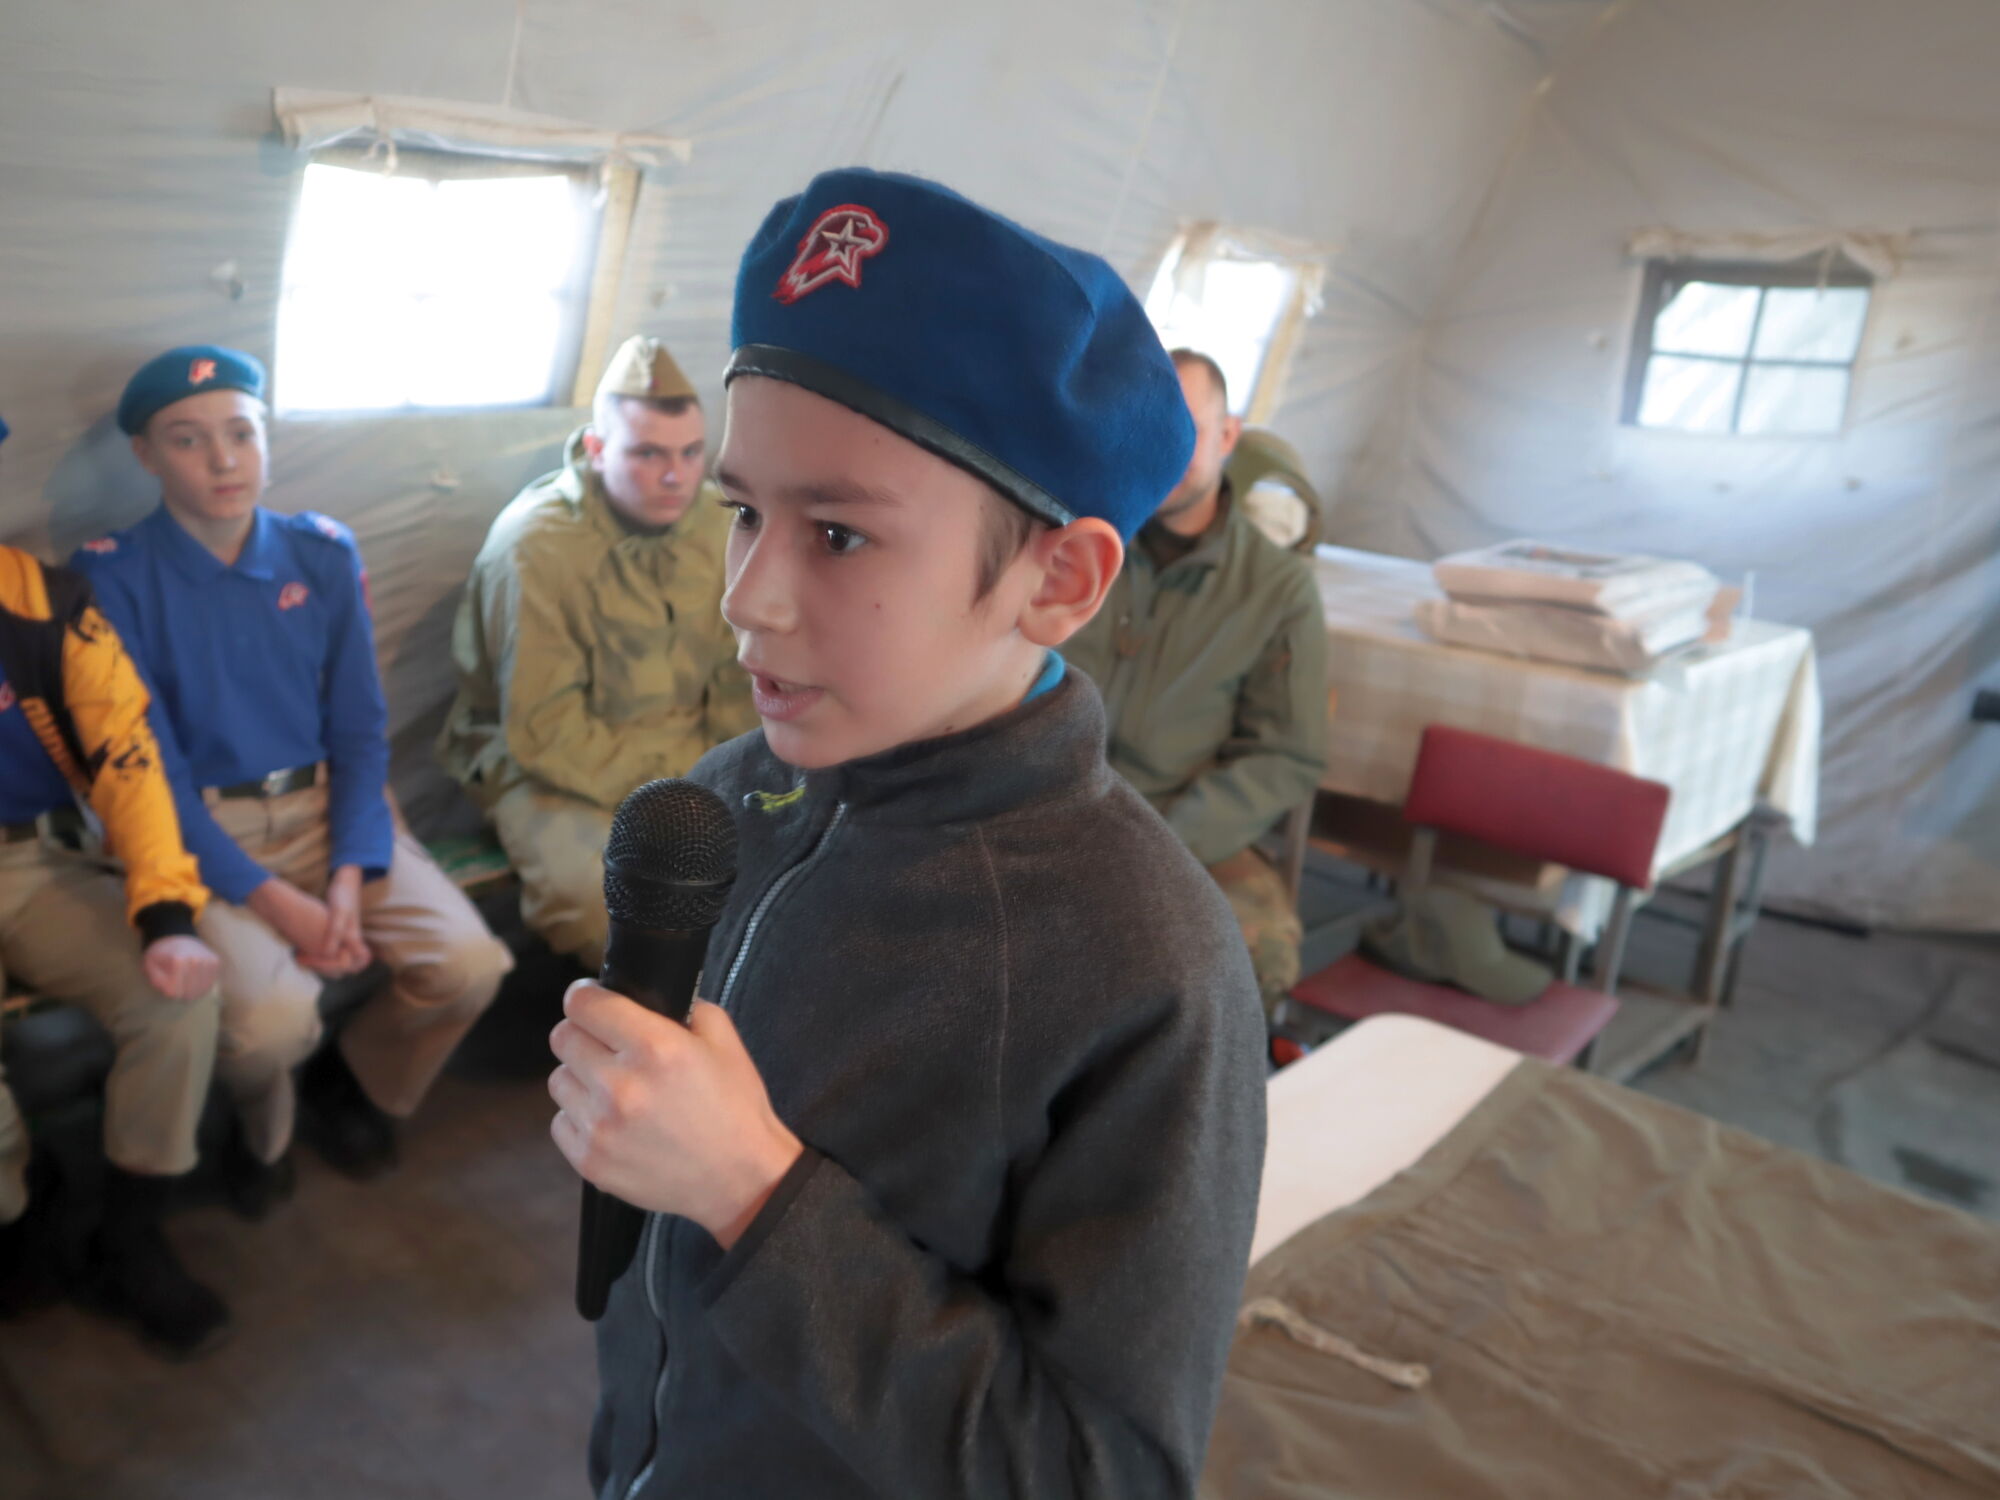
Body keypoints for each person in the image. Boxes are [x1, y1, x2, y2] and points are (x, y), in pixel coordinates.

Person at [549, 169, 1268, 1499]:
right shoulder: (736, 792)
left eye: (837, 534)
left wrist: (752, 1194)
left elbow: (1099, 1471)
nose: (747, 599)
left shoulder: (1148, 969)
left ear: (1059, 579)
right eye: (742, 512)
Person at [73, 348, 512, 1202]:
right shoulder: (114, 574)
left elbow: (358, 730)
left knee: (469, 966)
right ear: (145, 455)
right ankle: (262, 1127)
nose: (223, 460)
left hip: (330, 807)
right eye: (188, 439)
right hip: (196, 832)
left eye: (242, 433)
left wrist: (346, 878)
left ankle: (358, 1082)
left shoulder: (320, 552)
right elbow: (146, 776)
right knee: (271, 1027)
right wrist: (279, 904)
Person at [0, 414, 231, 1354]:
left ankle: (128, 1233)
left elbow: (128, 756)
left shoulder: (44, 602)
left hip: (26, 859)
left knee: (174, 1000)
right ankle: (19, 1224)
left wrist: (166, 913)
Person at [438, 335, 753, 971]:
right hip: (552, 770)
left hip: (690, 758)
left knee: (773, 870)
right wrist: (679, 791)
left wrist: (718, 781)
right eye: (648, 453)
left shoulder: (716, 524)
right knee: (600, 903)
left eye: (692, 452)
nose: (676, 476)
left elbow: (737, 680)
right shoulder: (536, 547)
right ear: (597, 448)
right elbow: (543, 729)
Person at [1063, 349, 1329, 1020]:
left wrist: (1169, 837)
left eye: (1186, 426)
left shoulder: (1277, 589)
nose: (1164, 445)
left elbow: (1284, 754)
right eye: (1147, 425)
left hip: (1176, 823)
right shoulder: (1073, 543)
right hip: (1041, 801)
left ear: (1228, 435)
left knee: (1252, 951)